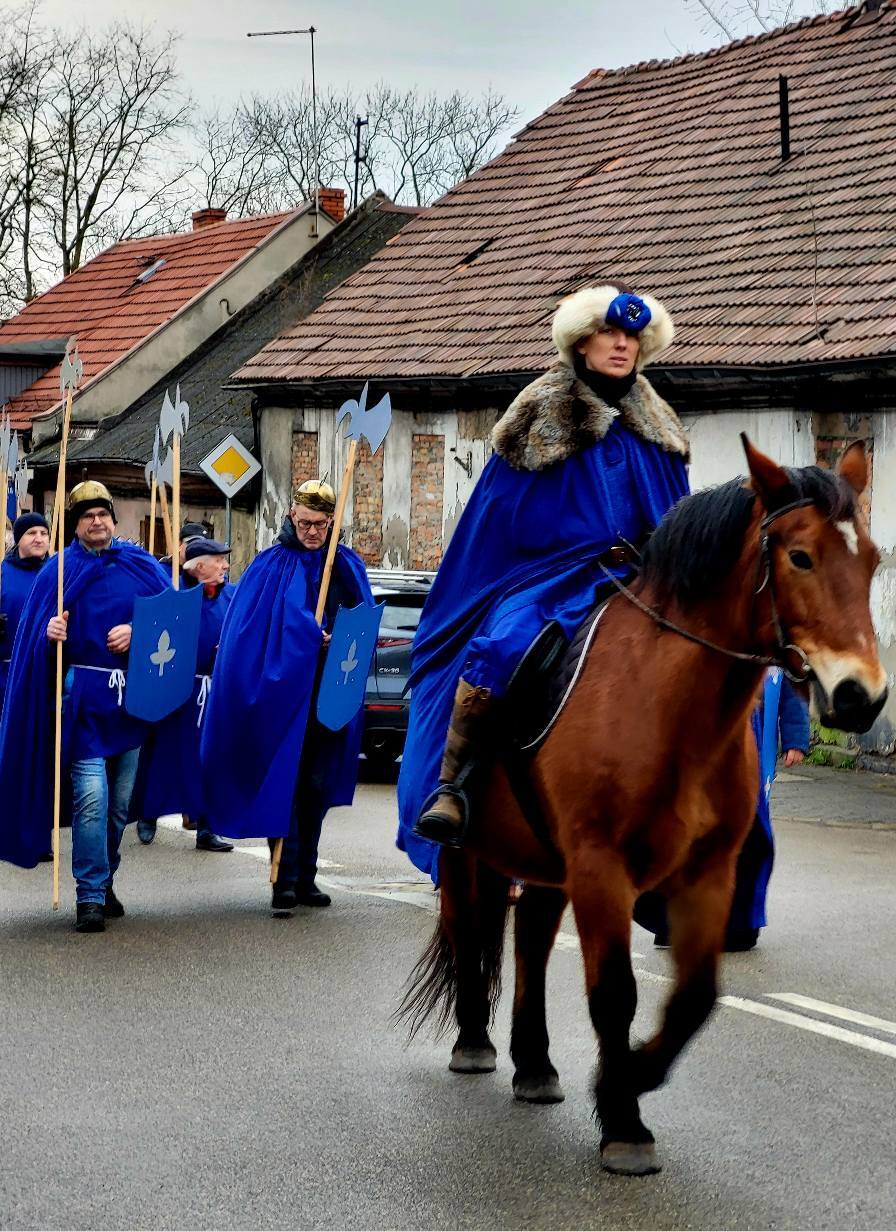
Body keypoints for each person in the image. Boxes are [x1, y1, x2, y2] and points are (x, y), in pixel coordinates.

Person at [399, 285, 689, 878]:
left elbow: (674, 511)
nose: (621, 345)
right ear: (582, 343)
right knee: (505, 645)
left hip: (642, 576)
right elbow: (504, 518)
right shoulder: (542, 415)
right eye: (610, 334)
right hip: (553, 577)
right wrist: (577, 543)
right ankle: (454, 787)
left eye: (632, 337)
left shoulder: (657, 424)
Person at [0, 481, 169, 932]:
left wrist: (140, 632)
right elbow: (33, 640)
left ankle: (107, 876)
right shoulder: (57, 571)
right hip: (82, 706)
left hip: (129, 704)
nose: (97, 521)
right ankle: (90, 894)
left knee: (117, 807)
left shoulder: (142, 566)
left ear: (114, 519)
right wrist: (49, 633)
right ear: (75, 524)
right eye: (87, 515)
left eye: (103, 513)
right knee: (91, 801)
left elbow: (171, 619)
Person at [199, 479, 375, 914]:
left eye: (320, 525)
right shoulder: (270, 566)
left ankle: (307, 874)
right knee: (288, 784)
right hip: (281, 697)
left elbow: (363, 622)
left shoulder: (346, 567)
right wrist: (305, 638)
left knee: (316, 786)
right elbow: (250, 634)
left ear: (332, 522)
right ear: (292, 517)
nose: (312, 532)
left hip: (326, 693)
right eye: (304, 523)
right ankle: (283, 879)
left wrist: (342, 639)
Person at [136, 538, 235, 853]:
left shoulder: (230, 597)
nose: (225, 566)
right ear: (199, 566)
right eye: (219, 560)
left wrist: (230, 649)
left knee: (212, 760)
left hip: (214, 691)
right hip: (180, 689)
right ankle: (148, 812)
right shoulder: (176, 595)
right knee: (167, 756)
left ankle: (207, 827)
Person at [0, 512, 50, 717]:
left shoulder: (58, 573)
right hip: (6, 674)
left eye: (43, 533)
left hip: (44, 674)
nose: (39, 538)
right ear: (19, 539)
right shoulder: (2, 572)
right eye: (31, 533)